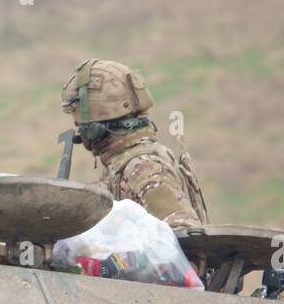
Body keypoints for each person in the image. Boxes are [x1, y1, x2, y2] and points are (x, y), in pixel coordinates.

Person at [60, 58, 209, 230]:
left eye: (80, 124)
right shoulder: (123, 165)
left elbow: (182, 230)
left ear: (93, 127)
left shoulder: (143, 167)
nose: (78, 129)